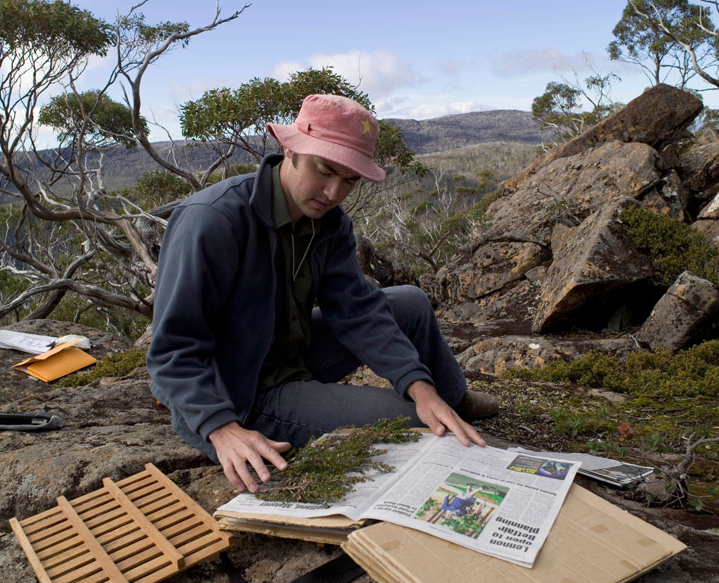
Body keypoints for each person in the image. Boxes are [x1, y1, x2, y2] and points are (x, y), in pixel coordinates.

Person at [147, 93, 498, 494]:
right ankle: (440, 414)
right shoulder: (214, 222)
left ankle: (450, 398)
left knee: (411, 303)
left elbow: (356, 308)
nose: (333, 192)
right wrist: (220, 428)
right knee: (418, 425)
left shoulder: (328, 223)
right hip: (241, 388)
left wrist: (421, 387)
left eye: (348, 179)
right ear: (290, 149)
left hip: (286, 349)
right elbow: (172, 349)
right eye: (324, 170)